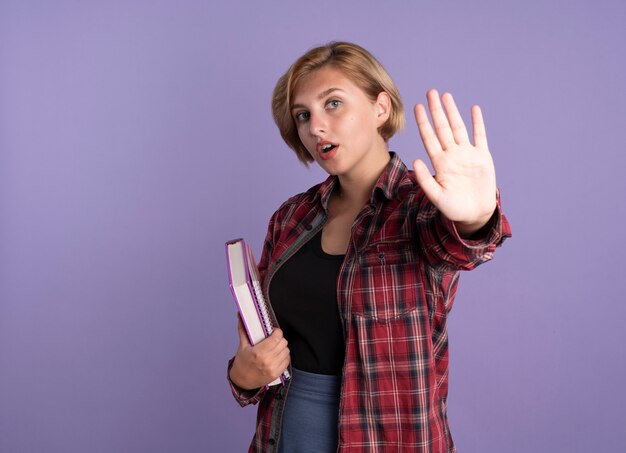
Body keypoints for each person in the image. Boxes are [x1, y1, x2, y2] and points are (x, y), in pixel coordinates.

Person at [227, 41, 511, 453]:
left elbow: (462, 246)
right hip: (285, 435)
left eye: (333, 104)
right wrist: (243, 376)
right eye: (303, 116)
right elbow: (262, 349)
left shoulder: (421, 208)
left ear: (380, 108)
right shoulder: (291, 218)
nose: (315, 127)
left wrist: (477, 216)